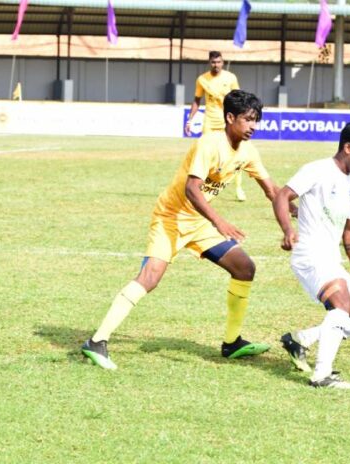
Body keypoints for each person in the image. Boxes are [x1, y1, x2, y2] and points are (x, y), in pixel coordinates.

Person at [82, 90, 291, 369]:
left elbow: (272, 191)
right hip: (171, 217)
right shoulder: (210, 144)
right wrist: (219, 221)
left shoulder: (248, 152)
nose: (253, 126)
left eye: (256, 120)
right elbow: (191, 188)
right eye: (248, 120)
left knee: (244, 268)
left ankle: (232, 344)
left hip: (199, 223)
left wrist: (297, 212)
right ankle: (96, 342)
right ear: (230, 118)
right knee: (150, 277)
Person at [274, 122, 350, 389]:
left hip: (332, 261)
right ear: (348, 147)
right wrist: (288, 230)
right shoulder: (317, 170)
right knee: (341, 307)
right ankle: (322, 375)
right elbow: (281, 196)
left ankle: (302, 339)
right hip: (310, 255)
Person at [184, 51, 247, 201]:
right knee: (205, 154)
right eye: (213, 62)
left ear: (223, 62)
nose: (216, 65)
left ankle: (238, 187)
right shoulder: (202, 79)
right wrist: (189, 120)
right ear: (209, 62)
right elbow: (197, 100)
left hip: (228, 122)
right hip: (209, 122)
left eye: (218, 62)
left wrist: (241, 119)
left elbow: (239, 98)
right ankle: (204, 188)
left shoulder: (231, 78)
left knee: (235, 156)